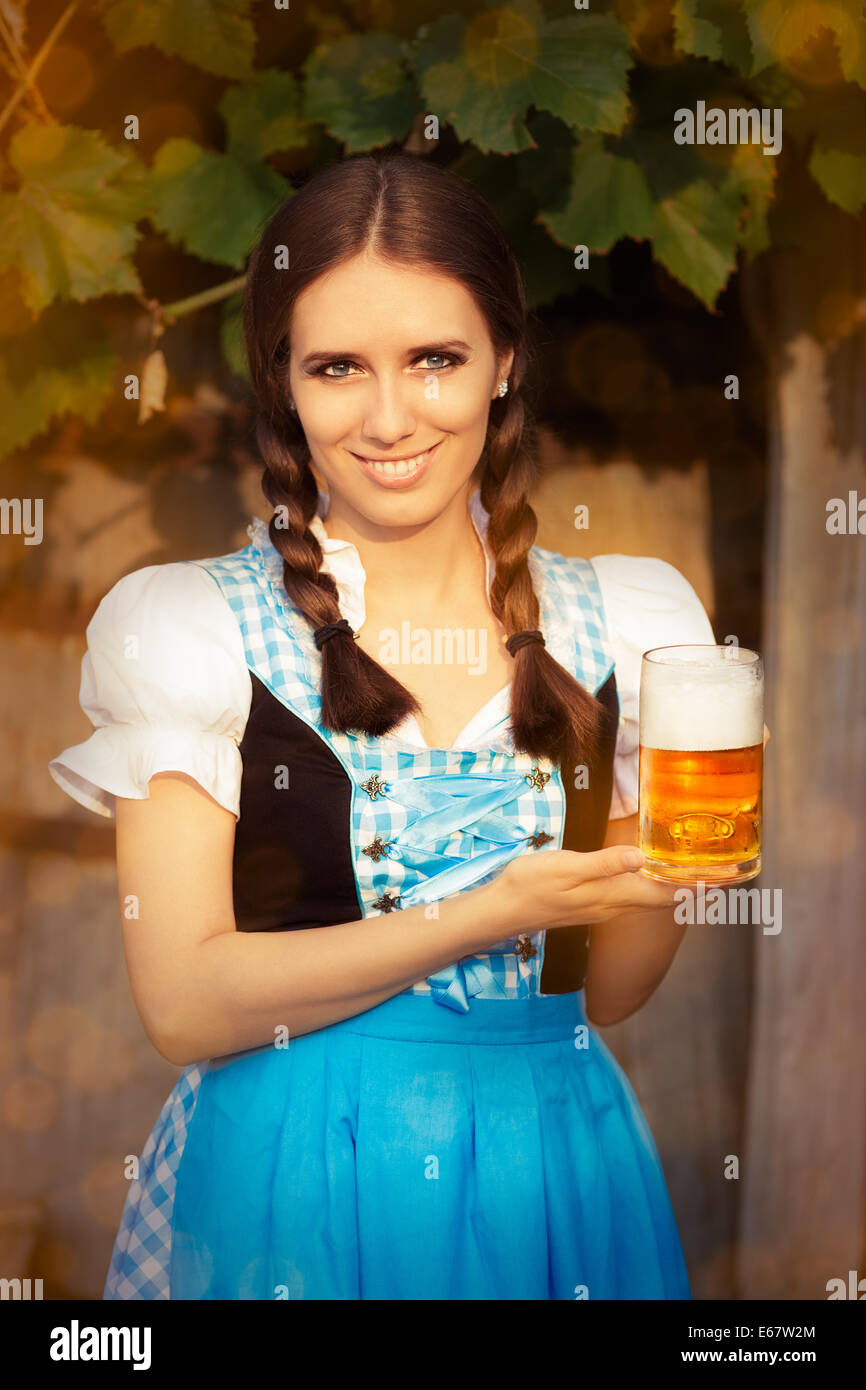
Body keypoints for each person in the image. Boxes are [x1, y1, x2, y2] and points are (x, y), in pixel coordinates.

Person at [49, 151, 715, 1300]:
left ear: (503, 361)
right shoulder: (191, 627)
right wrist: (486, 911)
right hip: (290, 1173)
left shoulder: (626, 621)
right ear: (283, 383)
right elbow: (183, 1002)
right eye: (339, 367)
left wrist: (672, 881)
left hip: (551, 1155)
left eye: (435, 360)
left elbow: (601, 993)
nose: (390, 415)